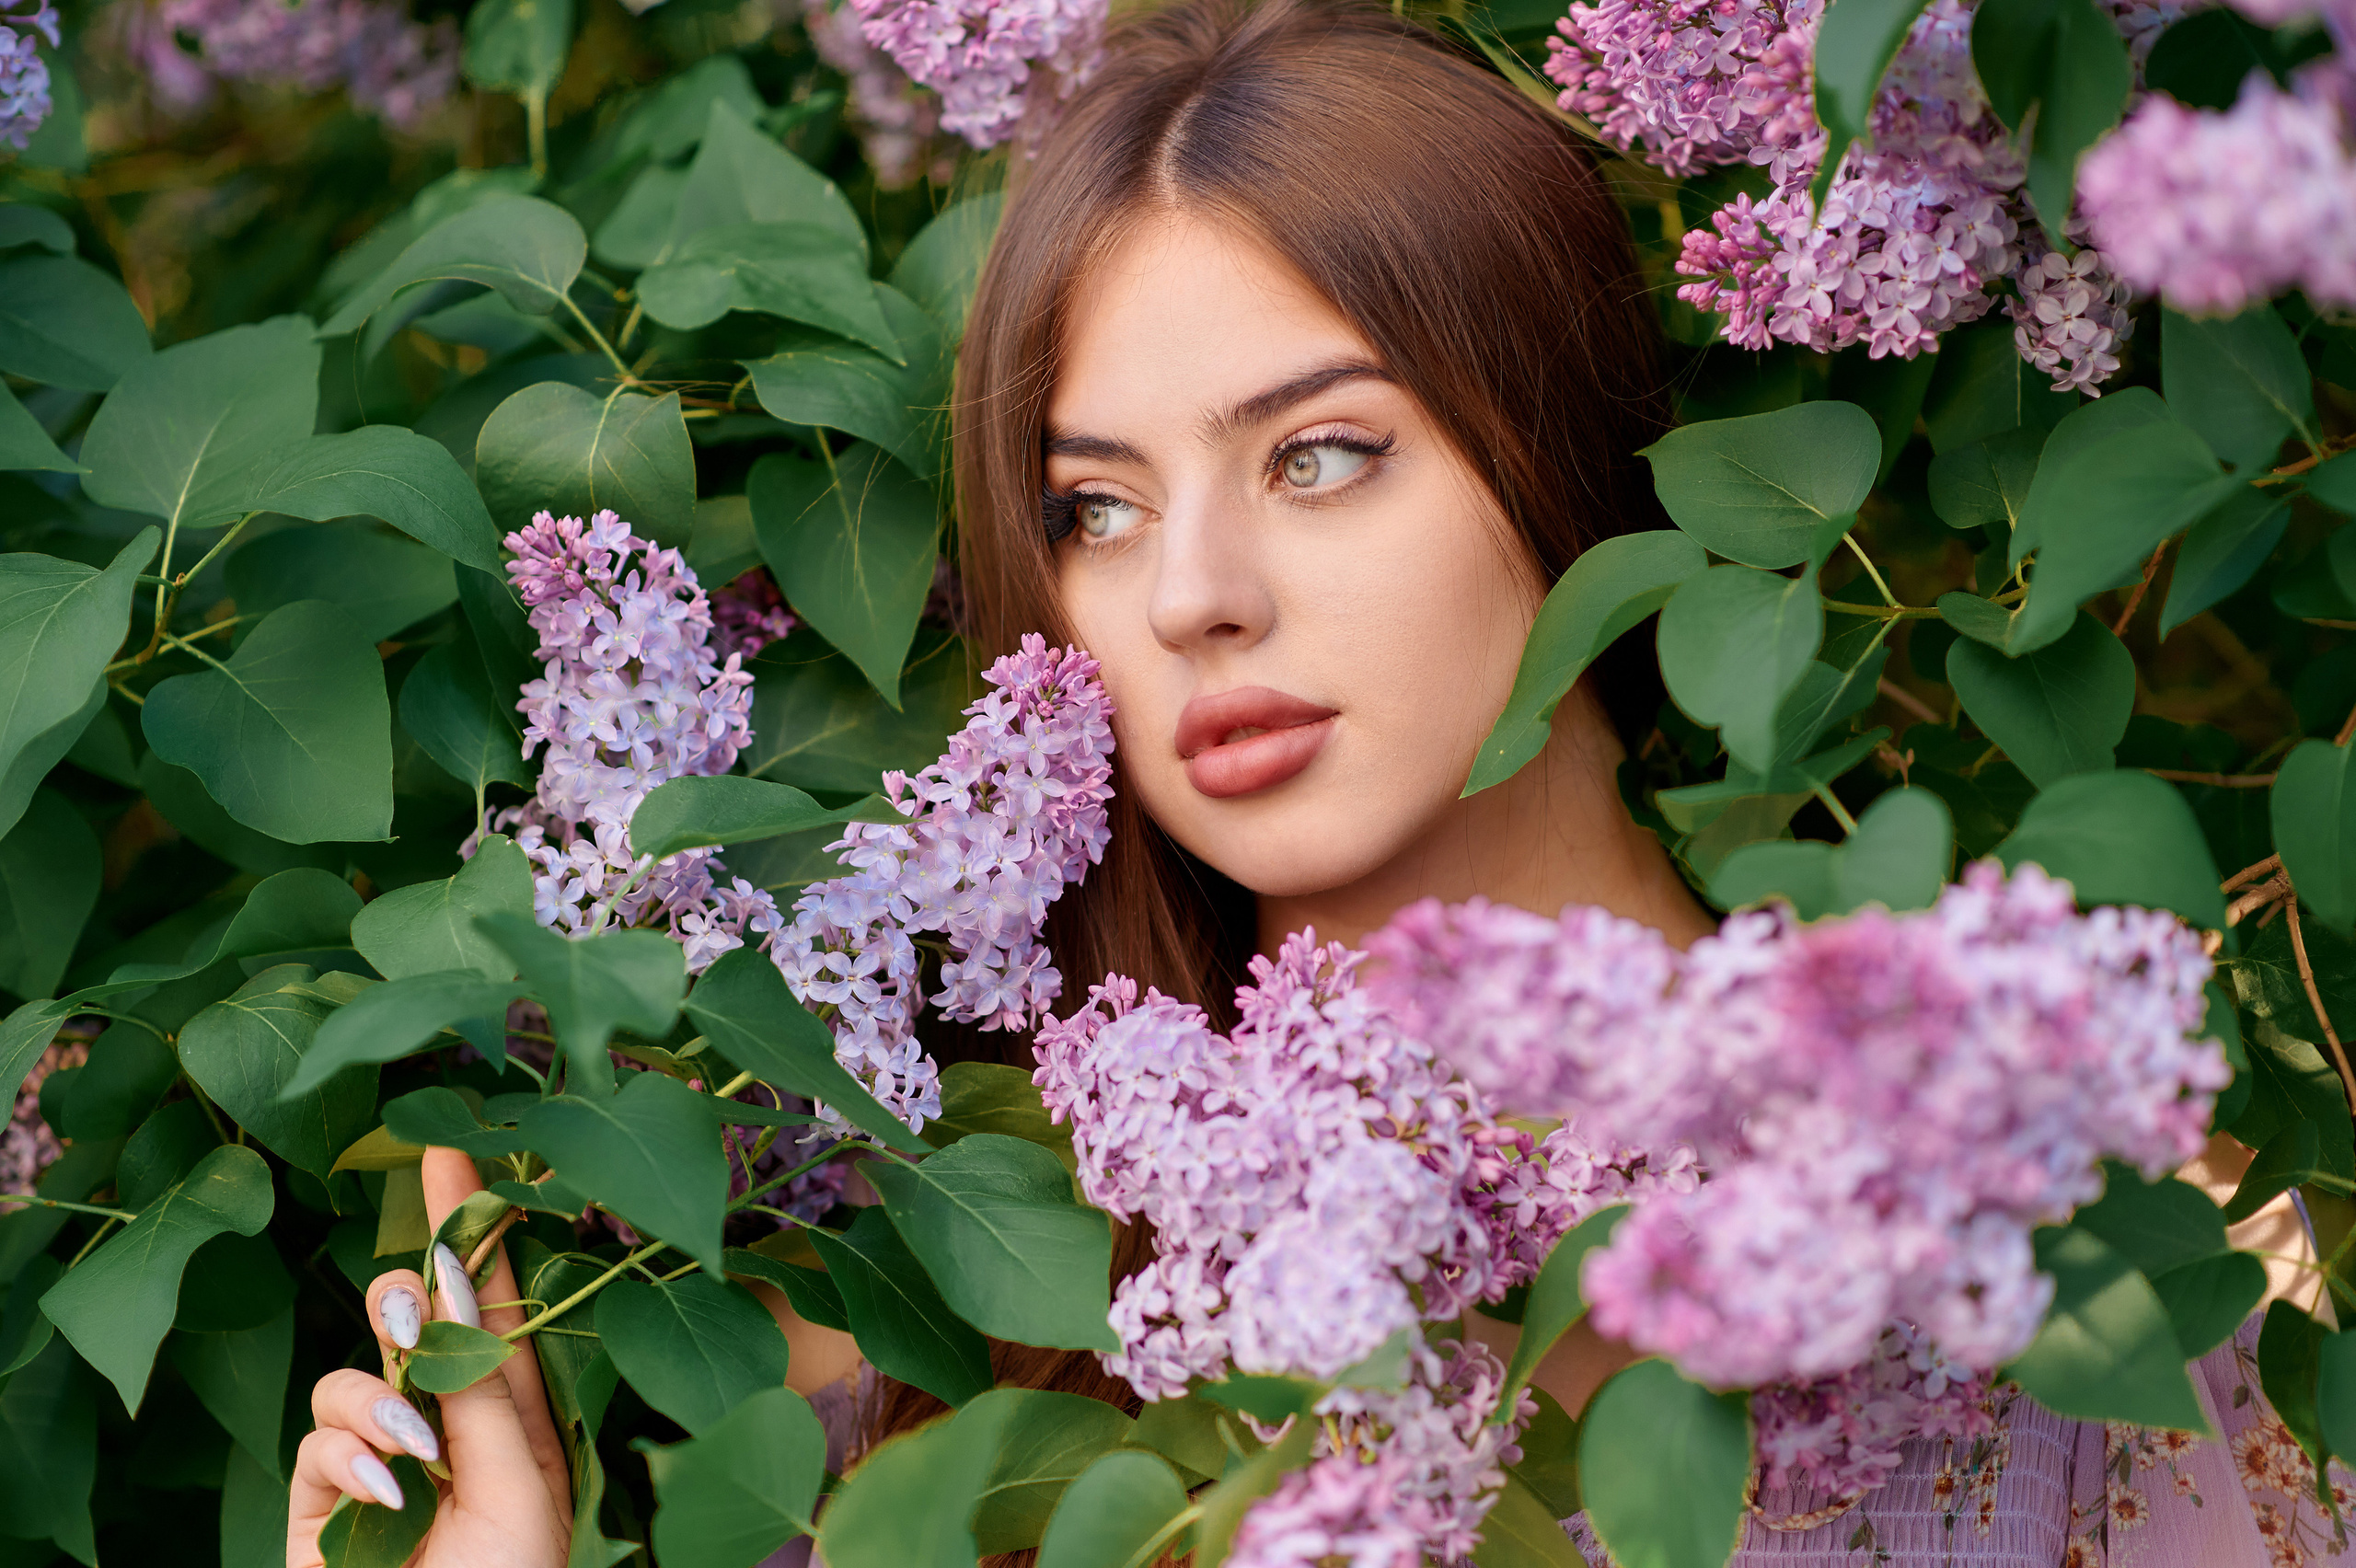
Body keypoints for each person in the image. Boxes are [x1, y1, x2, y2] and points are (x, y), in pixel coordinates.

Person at [291, 1, 2337, 1563]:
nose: (1187, 595)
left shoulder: (2115, 1295)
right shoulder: (924, 1351)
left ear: (1558, 461)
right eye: (1091, 509)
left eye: (1320, 454)